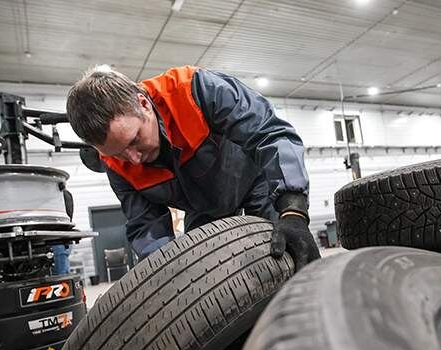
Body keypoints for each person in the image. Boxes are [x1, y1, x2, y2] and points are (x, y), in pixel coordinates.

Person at [66, 65, 320, 271]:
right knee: (202, 278)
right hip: (203, 210)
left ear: (143, 104)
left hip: (257, 184)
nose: (133, 159)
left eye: (134, 140)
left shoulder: (193, 91)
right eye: (118, 152)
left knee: (290, 255)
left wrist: (293, 208)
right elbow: (146, 225)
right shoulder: (115, 163)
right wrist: (165, 272)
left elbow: (269, 133)